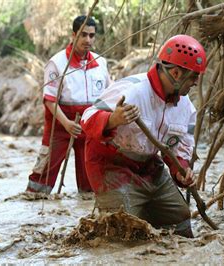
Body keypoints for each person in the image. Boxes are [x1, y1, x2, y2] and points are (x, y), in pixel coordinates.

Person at [81, 35, 206, 237]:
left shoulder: (186, 108)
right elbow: (87, 118)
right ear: (175, 73)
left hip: (148, 165)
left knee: (180, 217)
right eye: (193, 77)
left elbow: (178, 151)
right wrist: (113, 119)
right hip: (110, 164)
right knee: (123, 227)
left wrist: (182, 171)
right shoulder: (131, 89)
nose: (196, 82)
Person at [26, 15, 111, 194]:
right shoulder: (57, 63)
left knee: (89, 185)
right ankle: (33, 208)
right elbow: (49, 100)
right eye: (83, 35)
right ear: (74, 35)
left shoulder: (101, 63)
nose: (88, 40)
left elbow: (108, 96)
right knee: (41, 181)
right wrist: (67, 124)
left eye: (91, 35)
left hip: (88, 127)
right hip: (60, 126)